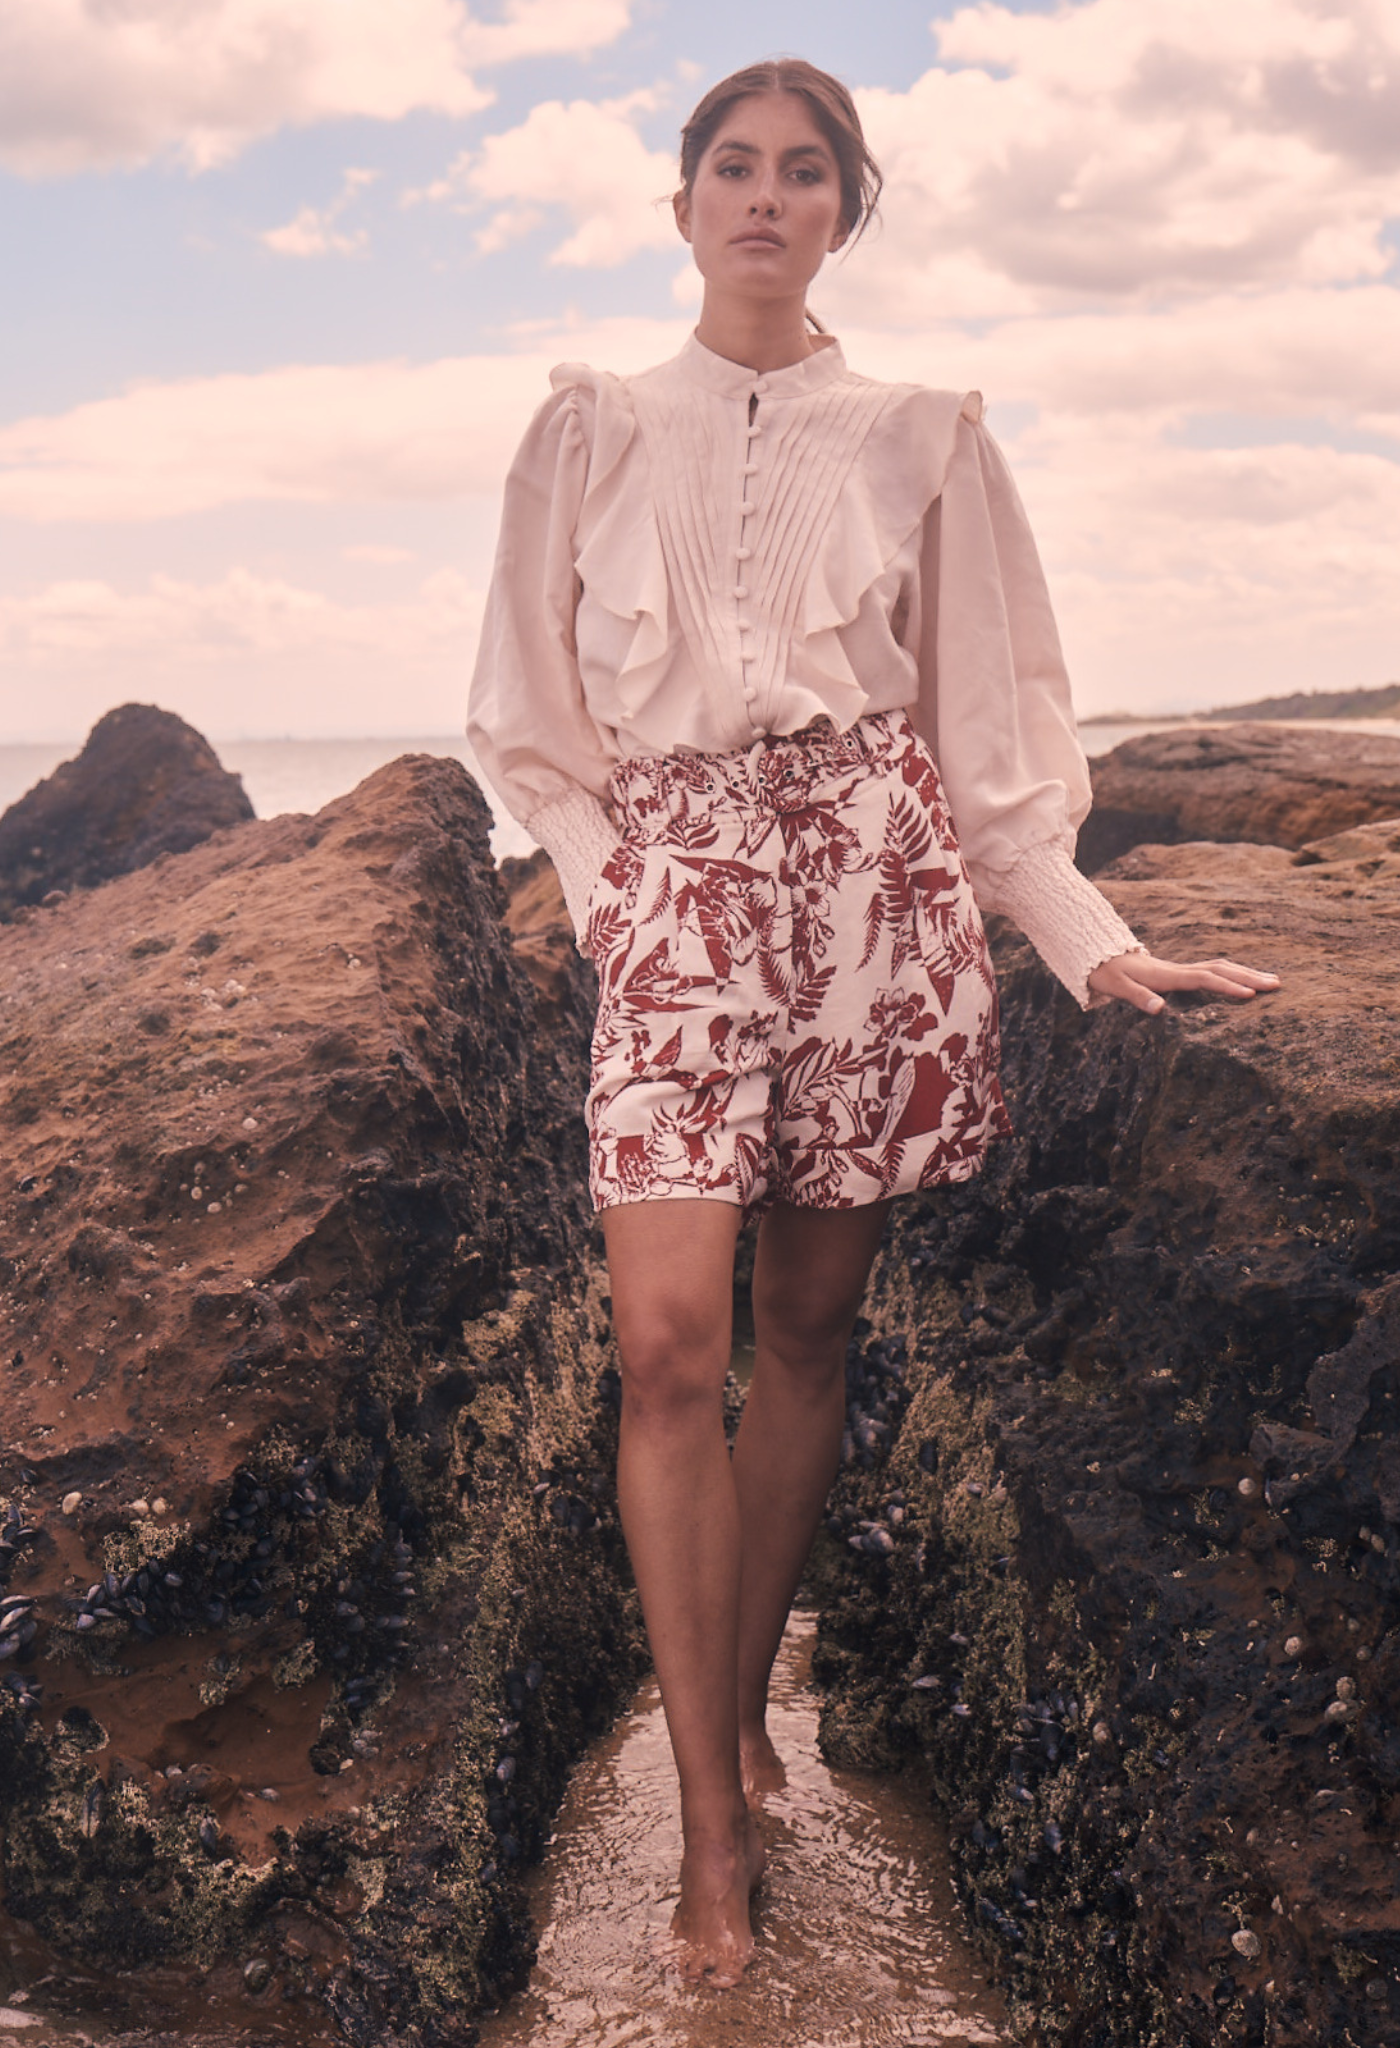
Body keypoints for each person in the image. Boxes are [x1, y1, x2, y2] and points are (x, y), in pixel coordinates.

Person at [467, 59, 1279, 1986]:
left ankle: (743, 1717)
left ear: (850, 207)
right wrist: (617, 896)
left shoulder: (927, 436)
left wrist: (1089, 940)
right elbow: (520, 717)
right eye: (732, 169)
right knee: (667, 1350)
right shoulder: (585, 427)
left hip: (870, 894)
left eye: (804, 172)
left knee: (808, 1332)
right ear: (682, 208)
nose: (764, 198)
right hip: (673, 887)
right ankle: (707, 1828)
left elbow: (993, 733)